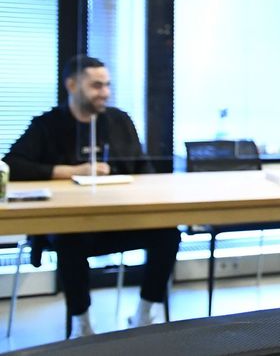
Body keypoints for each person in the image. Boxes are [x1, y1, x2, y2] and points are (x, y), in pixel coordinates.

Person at [3, 55, 180, 338]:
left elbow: (142, 168)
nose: (105, 93)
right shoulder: (47, 125)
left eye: (107, 85)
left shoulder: (119, 121)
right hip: (73, 226)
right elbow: (12, 164)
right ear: (72, 85)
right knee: (68, 239)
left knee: (168, 234)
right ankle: (82, 322)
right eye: (96, 86)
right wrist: (73, 171)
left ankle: (145, 313)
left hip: (119, 219)